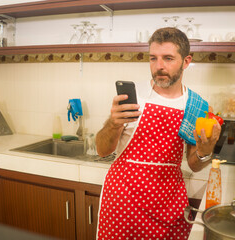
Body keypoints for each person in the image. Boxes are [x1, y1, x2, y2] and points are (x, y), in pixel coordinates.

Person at [95, 27, 221, 240]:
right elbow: (101, 150)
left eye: (168, 58)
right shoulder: (134, 97)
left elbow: (194, 164)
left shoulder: (196, 105)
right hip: (122, 203)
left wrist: (205, 152)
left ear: (186, 61)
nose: (159, 66)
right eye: (153, 58)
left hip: (168, 205)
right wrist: (112, 124)